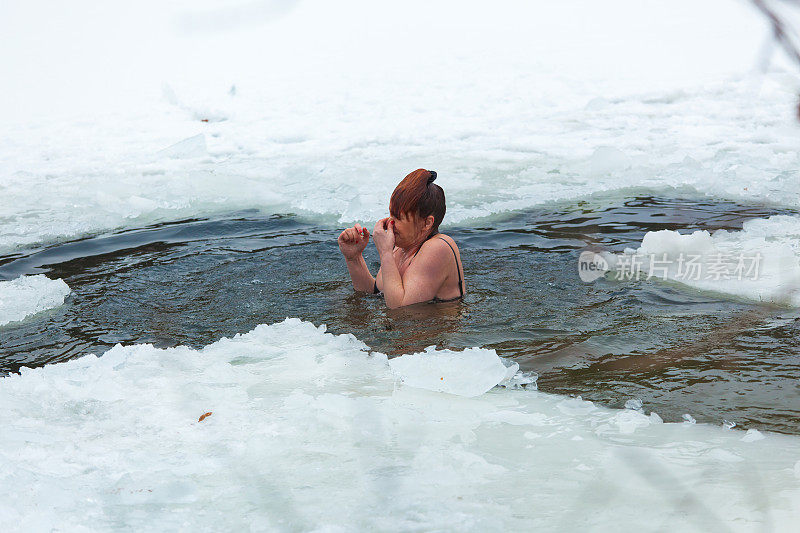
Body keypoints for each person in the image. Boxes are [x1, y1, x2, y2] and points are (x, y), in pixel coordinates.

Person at [337, 169, 465, 308]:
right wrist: (354, 258)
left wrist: (385, 252)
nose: (390, 223)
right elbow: (374, 293)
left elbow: (400, 310)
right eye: (391, 213)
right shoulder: (402, 246)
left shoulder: (439, 247)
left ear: (427, 223)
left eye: (398, 218)